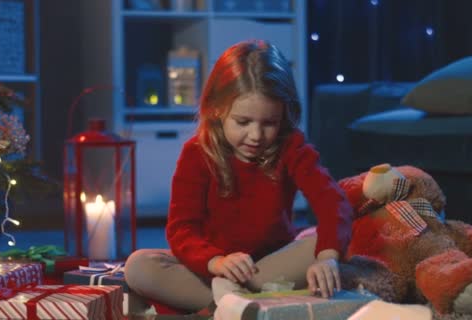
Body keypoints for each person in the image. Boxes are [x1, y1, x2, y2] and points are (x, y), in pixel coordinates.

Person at [124, 39, 353, 313]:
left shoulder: (291, 146)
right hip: (214, 266)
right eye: (243, 122)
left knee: (321, 240)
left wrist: (327, 257)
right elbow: (182, 229)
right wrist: (216, 261)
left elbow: (333, 202)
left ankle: (230, 302)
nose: (256, 136)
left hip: (267, 267)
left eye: (269, 123)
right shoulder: (197, 153)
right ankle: (247, 302)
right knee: (139, 266)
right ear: (217, 110)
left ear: (283, 114)